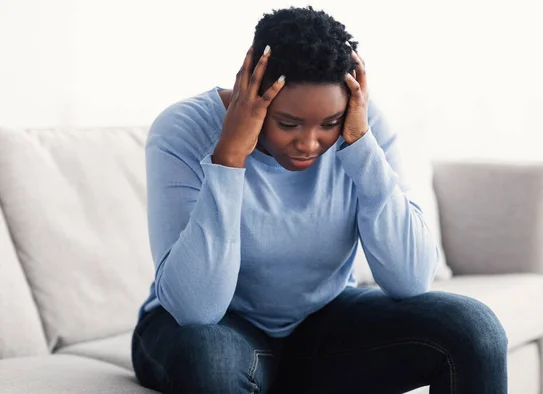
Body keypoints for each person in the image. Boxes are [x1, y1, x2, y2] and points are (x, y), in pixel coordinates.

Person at [131, 5, 508, 394]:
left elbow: (410, 280)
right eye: (288, 124)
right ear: (252, 91)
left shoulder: (361, 121)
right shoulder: (184, 129)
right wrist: (229, 157)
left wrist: (360, 148)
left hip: (321, 323)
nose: (309, 144)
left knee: (473, 331)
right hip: (206, 328)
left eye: (328, 124)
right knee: (207, 359)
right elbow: (197, 309)